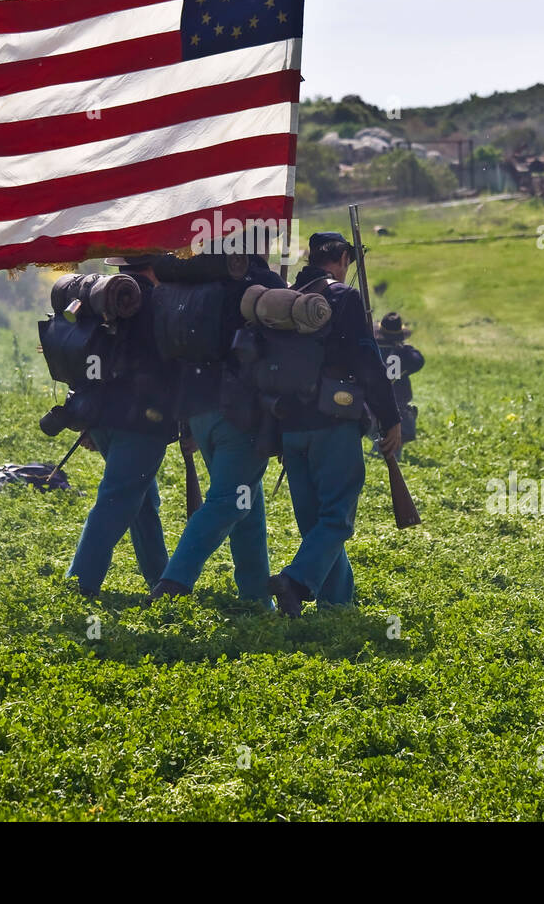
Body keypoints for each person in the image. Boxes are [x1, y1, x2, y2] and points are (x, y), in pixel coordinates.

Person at [267, 232, 401, 617]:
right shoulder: (344, 298)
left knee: (316, 523)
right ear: (342, 256)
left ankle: (338, 602)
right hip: (333, 422)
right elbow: (368, 363)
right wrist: (389, 419)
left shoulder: (287, 299)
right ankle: (294, 581)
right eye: (350, 261)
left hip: (289, 425)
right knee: (336, 519)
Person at [149, 250, 285, 605]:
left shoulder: (193, 285)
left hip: (198, 410)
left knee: (247, 503)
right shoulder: (258, 284)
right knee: (229, 502)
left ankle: (256, 598)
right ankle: (173, 584)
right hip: (239, 414)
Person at [65, 256, 176, 598]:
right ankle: (80, 581)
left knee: (141, 501)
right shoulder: (157, 303)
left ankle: (160, 576)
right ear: (154, 265)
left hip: (101, 416)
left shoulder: (100, 301)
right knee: (118, 499)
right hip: (139, 422)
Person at [375, 311, 424, 458]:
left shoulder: (374, 349)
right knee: (399, 433)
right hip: (398, 402)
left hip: (373, 401)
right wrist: (403, 349)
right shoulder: (404, 354)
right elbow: (418, 361)